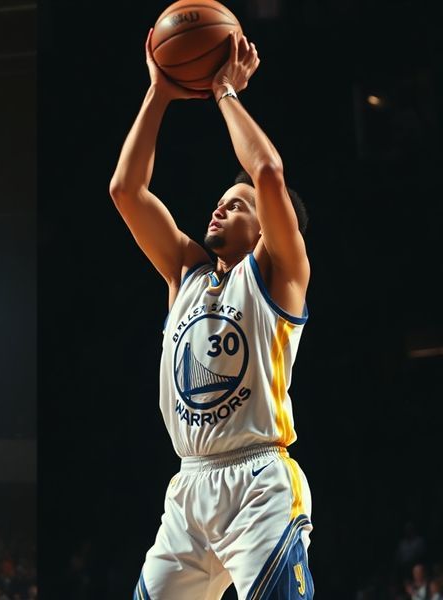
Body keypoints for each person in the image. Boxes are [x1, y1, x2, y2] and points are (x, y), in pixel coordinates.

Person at [110, 30, 313, 599]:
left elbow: (269, 173)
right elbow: (126, 189)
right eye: (222, 199)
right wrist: (159, 92)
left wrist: (224, 90)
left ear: (267, 227)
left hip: (258, 482)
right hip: (189, 485)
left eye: (238, 203)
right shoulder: (186, 274)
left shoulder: (278, 274)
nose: (222, 205)